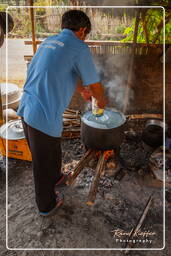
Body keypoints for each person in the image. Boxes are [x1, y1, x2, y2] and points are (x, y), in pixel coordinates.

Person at [17, 9, 106, 216]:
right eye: (86, 33)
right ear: (82, 30)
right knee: (41, 165)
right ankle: (46, 205)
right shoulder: (79, 47)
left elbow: (61, 71)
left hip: (28, 108)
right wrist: (101, 100)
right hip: (41, 115)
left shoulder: (49, 41)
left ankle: (56, 177)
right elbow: (95, 84)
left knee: (52, 151)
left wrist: (81, 91)